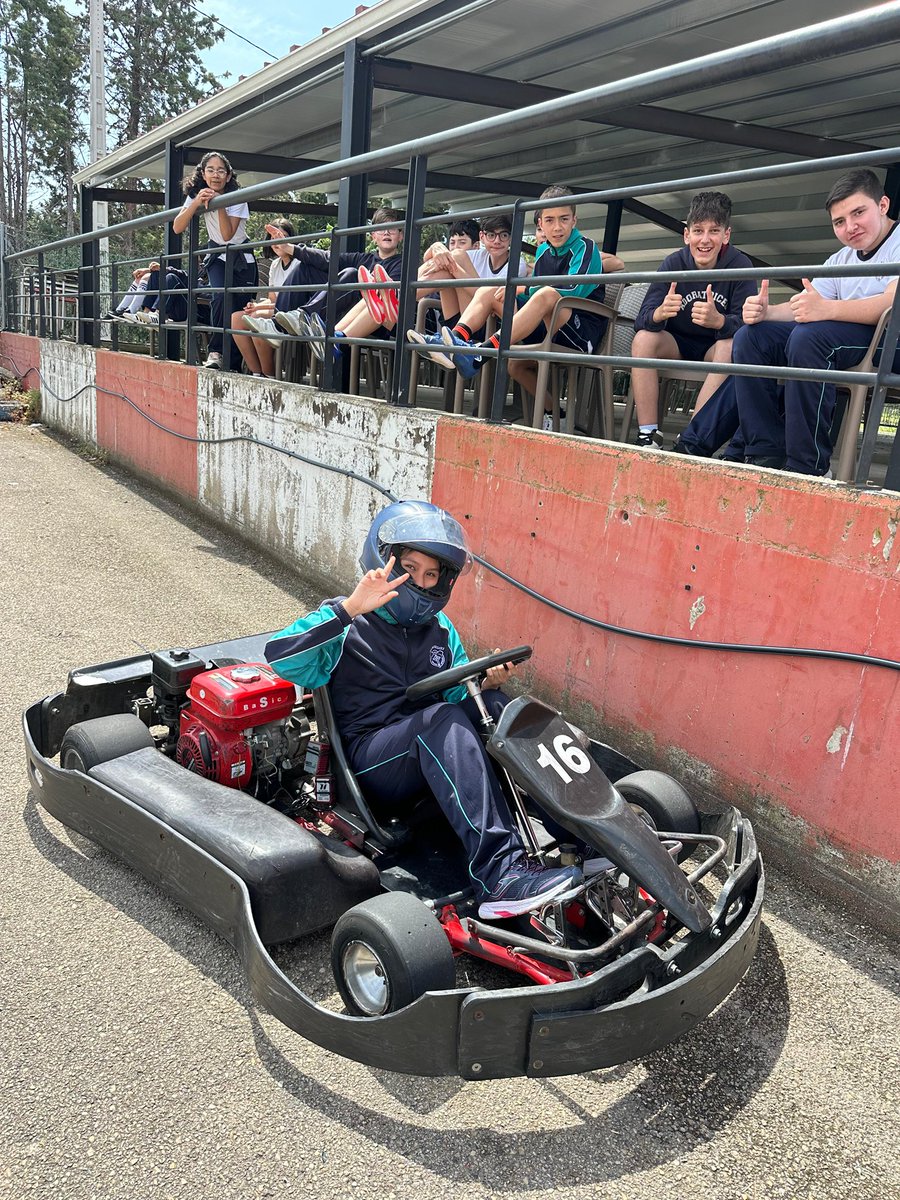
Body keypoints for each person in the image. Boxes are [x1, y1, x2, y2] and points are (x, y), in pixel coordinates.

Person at [264, 501, 582, 919]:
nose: (420, 581)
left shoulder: (440, 630)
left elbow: (454, 699)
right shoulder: (348, 623)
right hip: (371, 767)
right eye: (409, 568)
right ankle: (500, 875)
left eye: (431, 574)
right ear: (383, 561)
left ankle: (579, 834)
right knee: (441, 722)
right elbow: (280, 659)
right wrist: (350, 609)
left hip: (430, 749)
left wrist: (485, 686)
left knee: (502, 710)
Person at [672, 169, 900, 475]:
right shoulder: (842, 258)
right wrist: (767, 312)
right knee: (751, 338)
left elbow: (891, 303)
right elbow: (807, 305)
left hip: (890, 341)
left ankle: (808, 466)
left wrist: (827, 309)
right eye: (839, 222)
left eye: (859, 212)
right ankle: (763, 450)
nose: (851, 227)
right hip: (842, 337)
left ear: (883, 205)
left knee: (808, 339)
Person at [410, 186, 623, 424]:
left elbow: (572, 290)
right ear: (540, 224)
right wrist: (511, 293)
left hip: (579, 332)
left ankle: (479, 356)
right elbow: (531, 300)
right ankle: (457, 342)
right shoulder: (543, 251)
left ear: (574, 219)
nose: (557, 227)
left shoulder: (586, 248)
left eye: (563, 219)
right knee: (493, 295)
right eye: (550, 220)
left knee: (547, 294)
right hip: (546, 326)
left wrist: (523, 289)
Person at [630, 191, 756, 448]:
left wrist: (720, 322)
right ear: (687, 235)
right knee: (643, 339)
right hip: (675, 345)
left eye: (714, 231)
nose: (705, 240)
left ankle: (691, 438)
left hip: (713, 348)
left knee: (730, 344)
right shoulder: (673, 263)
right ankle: (648, 434)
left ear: (726, 235)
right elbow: (641, 319)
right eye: (698, 231)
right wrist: (660, 313)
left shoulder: (741, 265)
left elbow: (749, 324)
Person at [173, 151, 258, 370]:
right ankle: (216, 352)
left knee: (240, 309)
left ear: (229, 176)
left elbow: (228, 234)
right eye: (210, 170)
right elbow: (177, 226)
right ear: (203, 173)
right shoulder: (196, 194)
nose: (216, 175)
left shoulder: (237, 197)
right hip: (217, 256)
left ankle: (236, 363)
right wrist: (196, 203)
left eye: (221, 170)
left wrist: (218, 203)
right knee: (219, 296)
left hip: (241, 256)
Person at [267, 207, 404, 341]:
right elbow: (328, 258)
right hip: (344, 316)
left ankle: (303, 317)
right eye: (381, 229)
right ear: (373, 236)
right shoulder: (362, 259)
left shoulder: (402, 264)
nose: (386, 232)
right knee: (306, 268)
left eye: (392, 228)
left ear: (400, 236)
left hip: (373, 322)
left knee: (352, 274)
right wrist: (288, 247)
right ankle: (278, 324)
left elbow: (391, 300)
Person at [230, 218, 296, 377]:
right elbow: (273, 299)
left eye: (282, 236)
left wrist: (258, 310)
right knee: (237, 318)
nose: (277, 242)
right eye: (273, 238)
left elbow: (285, 302)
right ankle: (256, 372)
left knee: (256, 318)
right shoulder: (275, 265)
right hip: (277, 308)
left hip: (291, 310)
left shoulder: (298, 263)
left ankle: (269, 374)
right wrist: (256, 306)